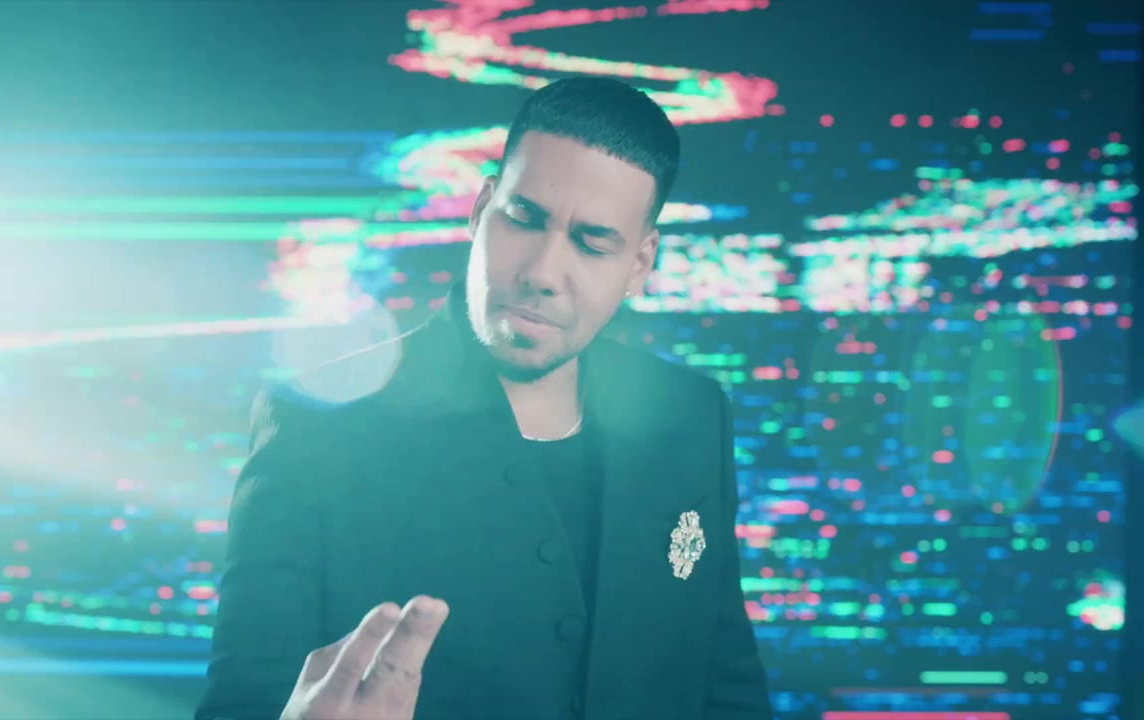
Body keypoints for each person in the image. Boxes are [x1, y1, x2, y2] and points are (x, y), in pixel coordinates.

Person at [197, 77, 773, 720]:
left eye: (592, 243)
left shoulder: (690, 416)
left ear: (639, 264)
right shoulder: (316, 428)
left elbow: (727, 683)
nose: (542, 274)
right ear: (480, 210)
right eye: (524, 219)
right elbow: (240, 704)